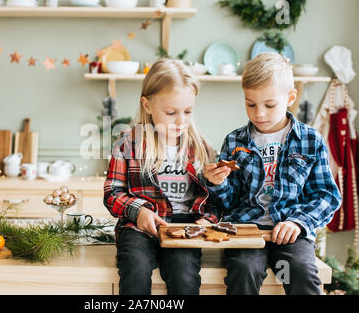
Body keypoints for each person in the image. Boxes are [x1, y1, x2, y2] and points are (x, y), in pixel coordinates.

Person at [204, 52, 342, 295]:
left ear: (290, 97)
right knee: (243, 268)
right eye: (250, 104)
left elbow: (326, 196)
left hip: (292, 231)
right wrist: (218, 183)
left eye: (269, 105)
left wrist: (299, 222)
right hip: (245, 228)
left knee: (301, 271)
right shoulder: (235, 140)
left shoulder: (310, 140)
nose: (259, 114)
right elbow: (228, 200)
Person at [103, 58, 220, 295]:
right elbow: (112, 193)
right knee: (135, 270)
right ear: (147, 105)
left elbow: (214, 198)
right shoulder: (129, 142)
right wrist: (139, 212)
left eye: (188, 111)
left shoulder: (201, 146)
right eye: (171, 112)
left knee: (185, 276)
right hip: (138, 227)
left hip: (184, 226)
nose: (181, 121)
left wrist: (208, 218)